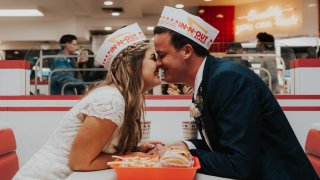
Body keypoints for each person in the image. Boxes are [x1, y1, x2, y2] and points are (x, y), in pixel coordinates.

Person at [150, 6, 318, 179]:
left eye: (161, 55)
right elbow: (221, 146)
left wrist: (180, 158)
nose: (158, 63)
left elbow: (239, 164)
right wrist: (183, 146)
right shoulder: (209, 80)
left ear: (186, 51)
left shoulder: (228, 80)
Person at [14, 23, 162, 179]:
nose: (160, 63)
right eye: (154, 57)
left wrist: (135, 151)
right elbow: (80, 162)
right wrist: (131, 157)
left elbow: (99, 152)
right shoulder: (111, 100)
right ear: (131, 65)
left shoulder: (119, 97)